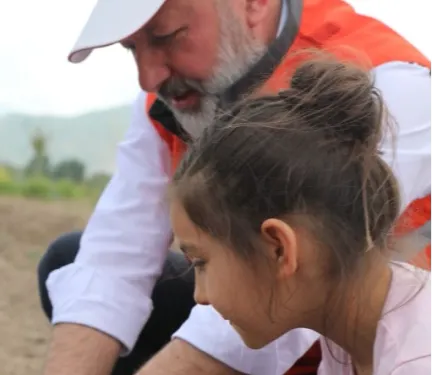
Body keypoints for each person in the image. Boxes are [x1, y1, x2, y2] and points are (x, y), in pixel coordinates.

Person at [37, 0, 432, 374]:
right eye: (131, 48)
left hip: (370, 335)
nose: (147, 76)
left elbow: (290, 285)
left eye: (166, 36)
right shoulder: (166, 101)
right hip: (317, 333)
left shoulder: (391, 81)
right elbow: (112, 261)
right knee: (68, 258)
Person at [168, 56, 432, 374]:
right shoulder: (357, 335)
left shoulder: (416, 361)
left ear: (279, 248)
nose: (200, 297)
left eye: (201, 263)